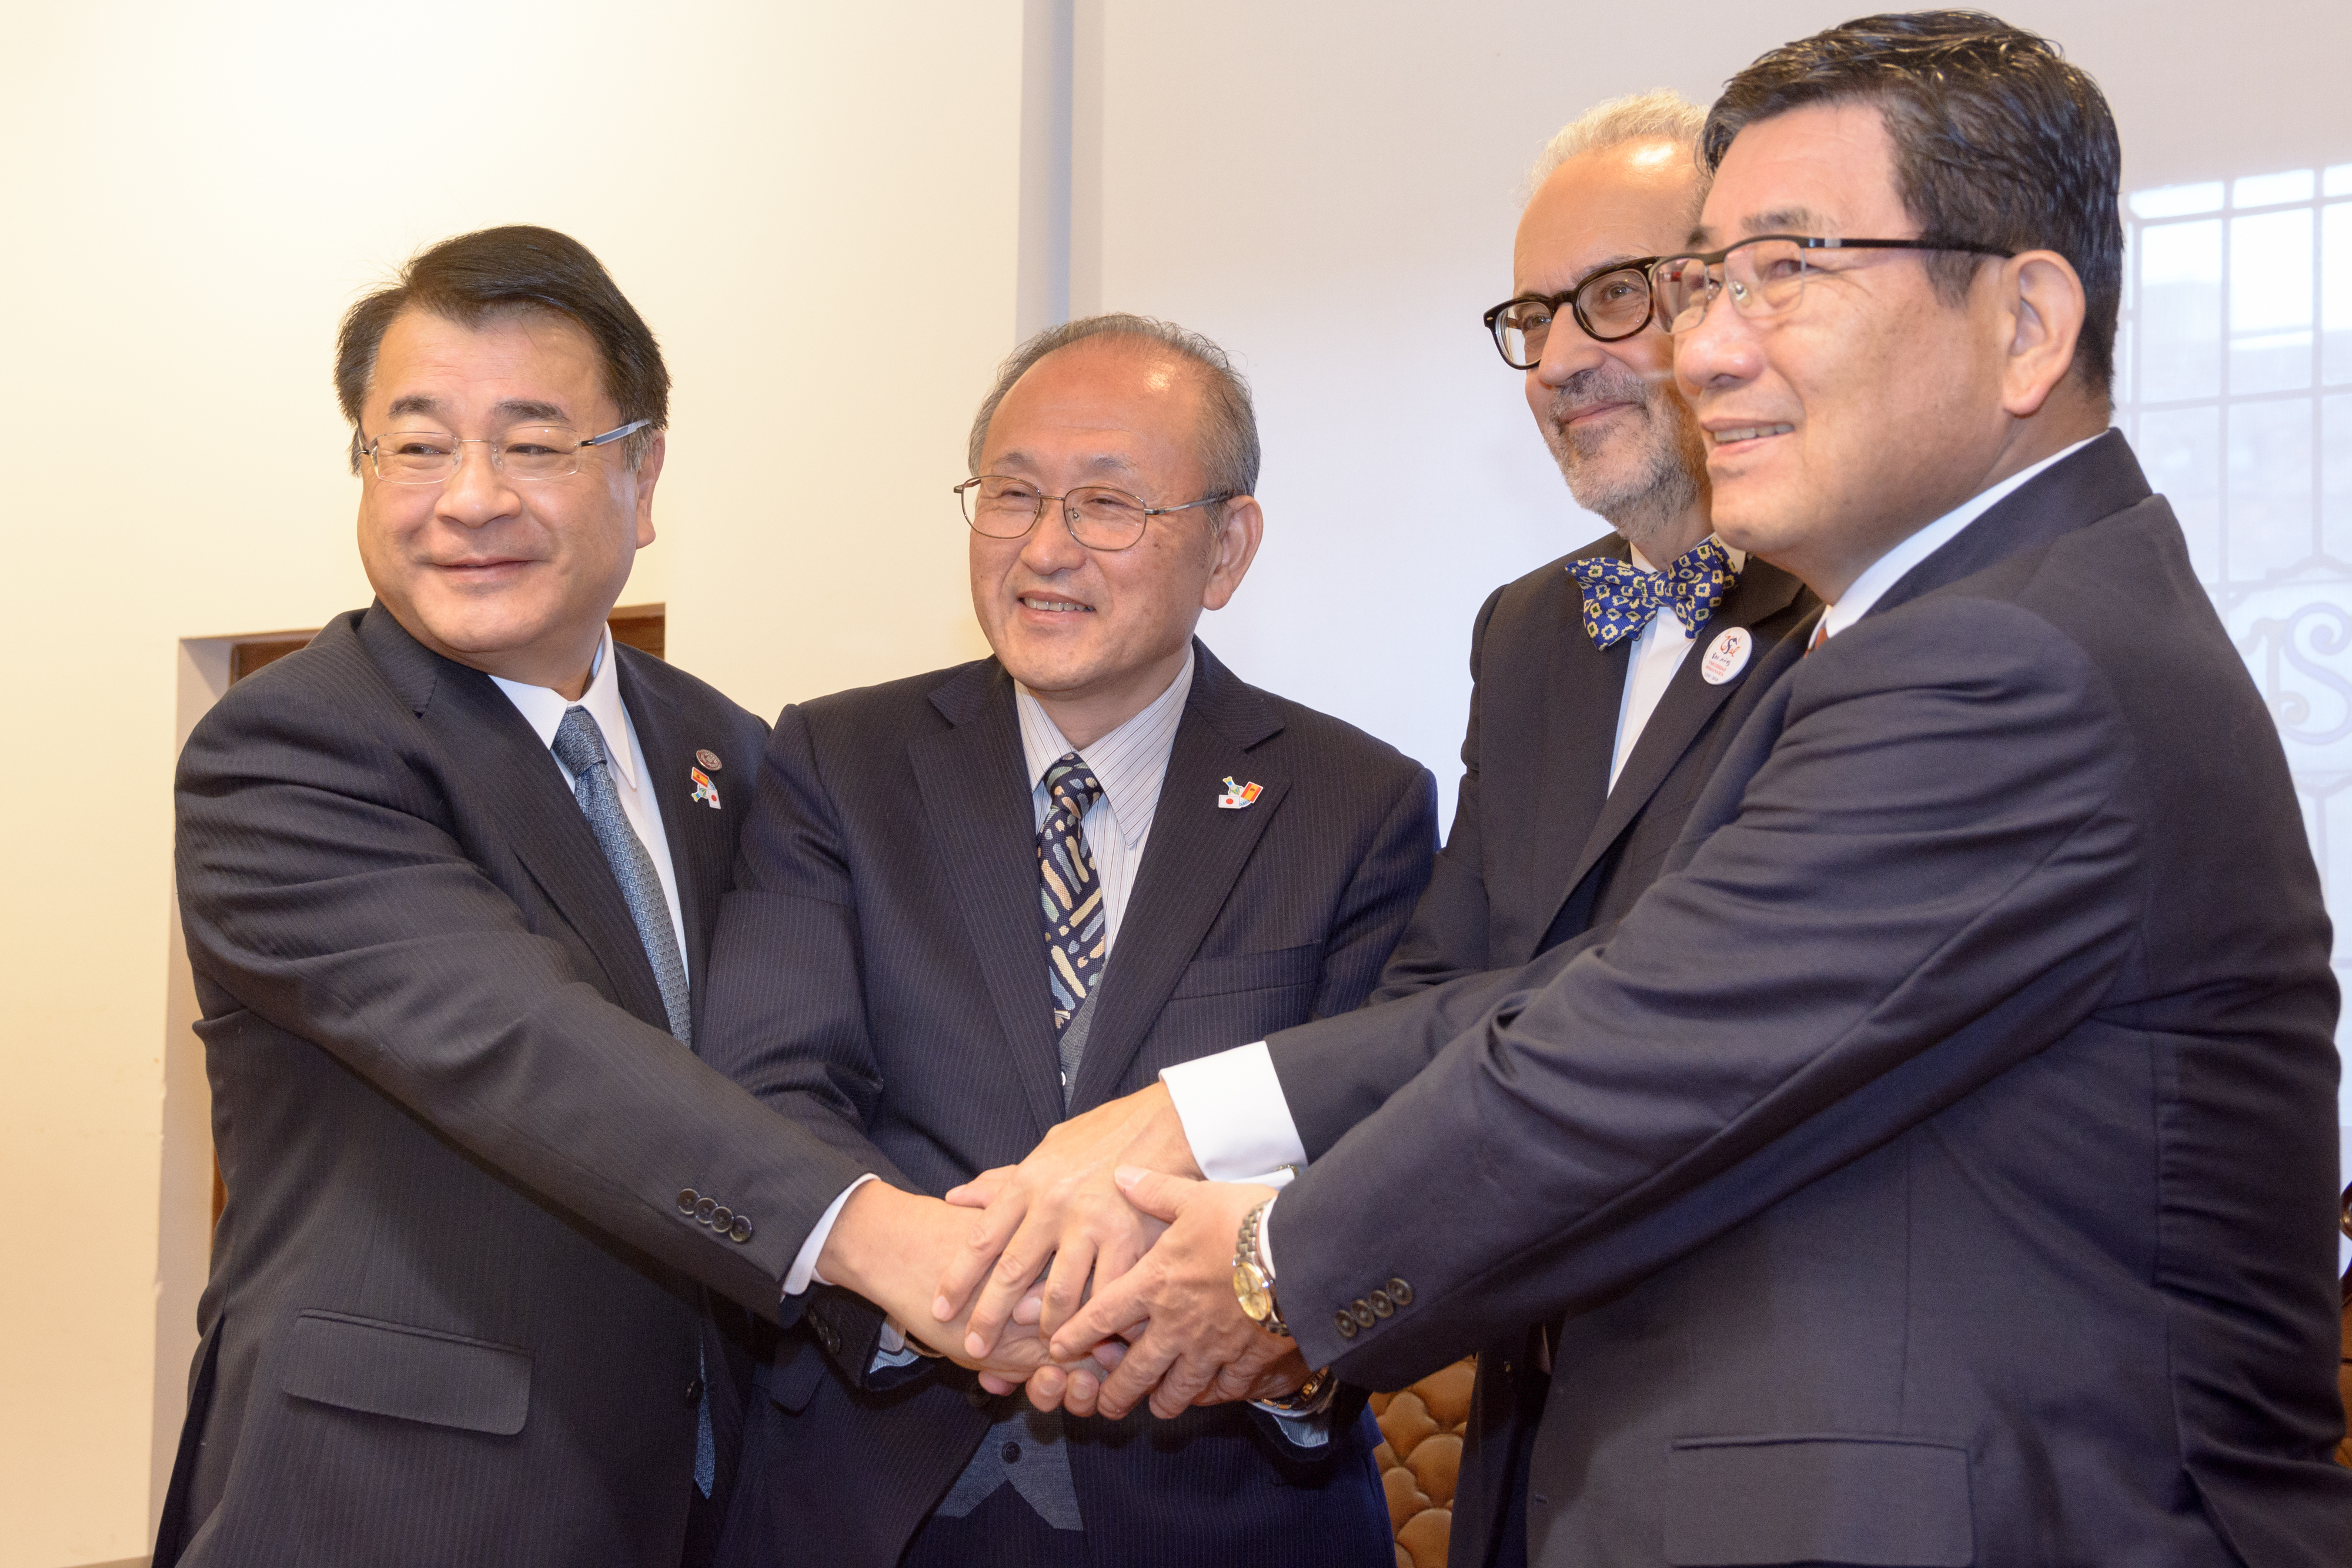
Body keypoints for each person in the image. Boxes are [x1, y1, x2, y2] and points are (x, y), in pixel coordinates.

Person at [949, 15, 2352, 1567]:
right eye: (1708, 283)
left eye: (1787, 273)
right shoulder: (1941, 627)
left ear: (2026, 322)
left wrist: (1273, 1262)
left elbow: (1630, 1052)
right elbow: (1584, 987)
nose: (1704, 349)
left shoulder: (2011, 659)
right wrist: (1195, 1114)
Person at [157, 225, 1046, 1568]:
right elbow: (526, 1043)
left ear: (641, 472)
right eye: (414, 441)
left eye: (531, 442)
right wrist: (883, 1239)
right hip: (395, 1501)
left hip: (708, 1493)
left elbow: (824, 1062)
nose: (468, 496)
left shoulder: (739, 754)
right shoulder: (287, 751)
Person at [697, 315, 1432, 1568]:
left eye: (1105, 503)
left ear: (1225, 546)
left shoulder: (1353, 801)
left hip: (1222, 1500)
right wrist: (948, 1290)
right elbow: (774, 1085)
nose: (1044, 547)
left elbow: (1372, 1141)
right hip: (865, 1499)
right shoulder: (838, 761)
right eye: (1012, 494)